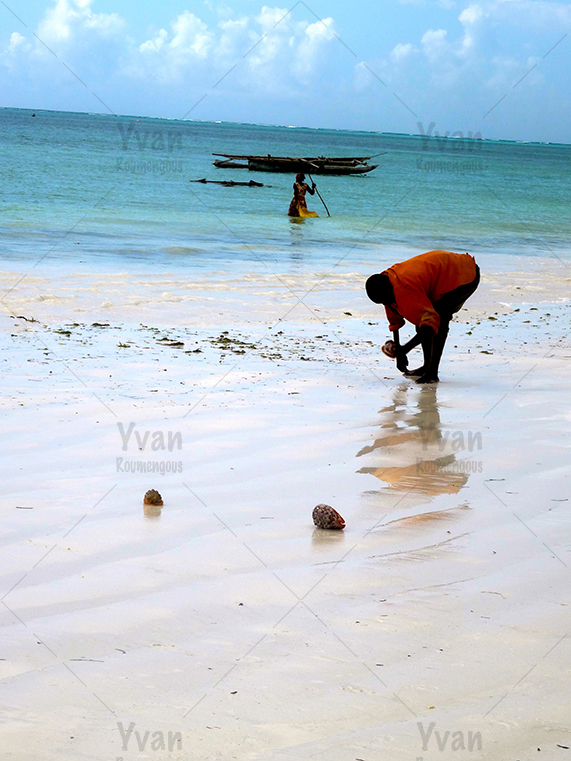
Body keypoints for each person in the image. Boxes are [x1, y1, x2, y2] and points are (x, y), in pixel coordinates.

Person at [365, 250, 480, 384]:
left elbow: (429, 327)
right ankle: (427, 367)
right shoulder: (388, 282)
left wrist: (403, 350)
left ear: (388, 294)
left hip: (464, 274)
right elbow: (394, 319)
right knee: (422, 318)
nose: (387, 304)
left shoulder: (405, 290)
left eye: (386, 301)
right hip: (447, 270)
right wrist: (399, 353)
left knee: (439, 318)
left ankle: (432, 372)